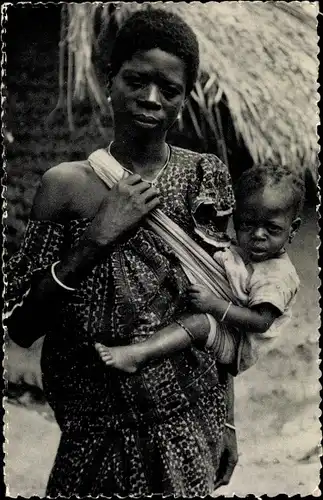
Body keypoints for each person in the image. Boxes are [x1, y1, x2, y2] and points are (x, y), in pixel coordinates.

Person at [5, 8, 241, 496]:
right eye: (136, 81)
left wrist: (227, 422)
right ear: (108, 79)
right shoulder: (65, 187)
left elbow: (224, 312)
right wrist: (96, 237)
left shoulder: (205, 179)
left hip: (183, 425)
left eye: (169, 90)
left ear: (184, 98)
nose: (151, 99)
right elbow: (22, 325)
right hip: (93, 434)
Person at [96, 164, 303, 374]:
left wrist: (214, 305)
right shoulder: (244, 251)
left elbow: (261, 322)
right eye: (247, 225)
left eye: (272, 228)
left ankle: (139, 355)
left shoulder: (277, 276)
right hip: (232, 321)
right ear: (236, 219)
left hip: (239, 344)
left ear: (292, 229)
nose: (258, 235)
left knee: (198, 324)